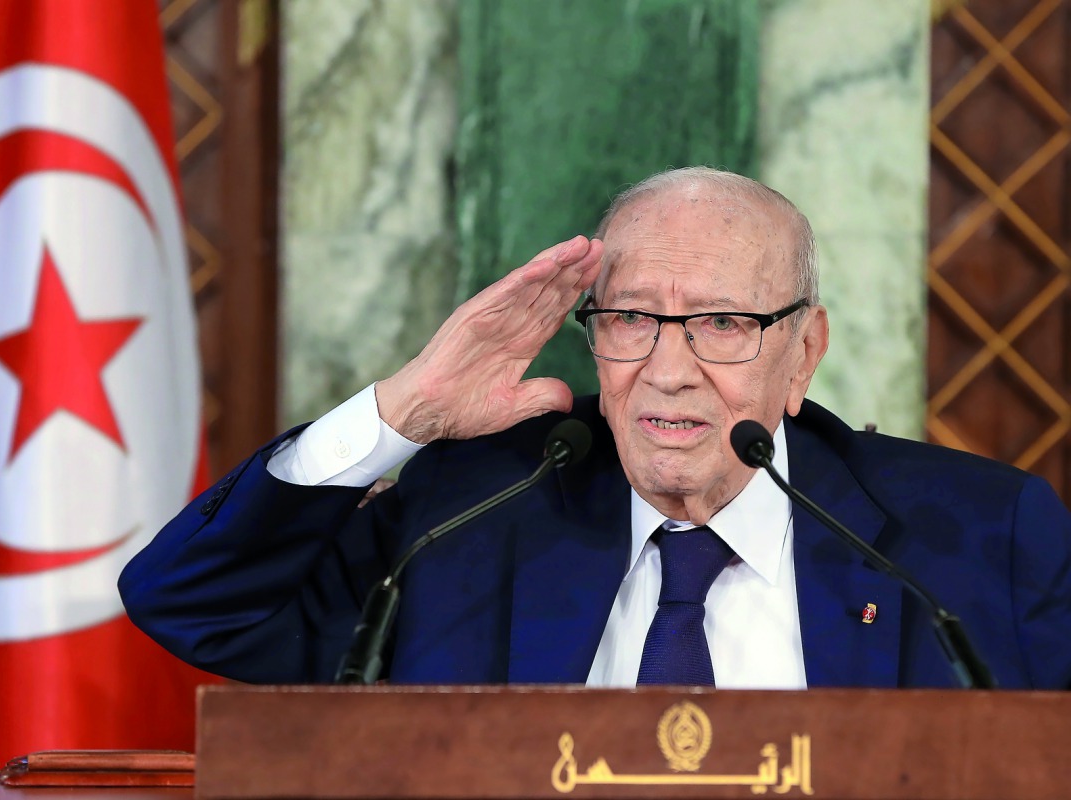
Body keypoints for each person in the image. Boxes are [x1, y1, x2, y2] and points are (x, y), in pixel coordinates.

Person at [119, 167, 1071, 689]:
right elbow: (197, 604)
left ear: (804, 352)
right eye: (628, 320)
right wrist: (399, 414)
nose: (666, 368)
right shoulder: (467, 519)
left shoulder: (982, 541)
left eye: (724, 324)